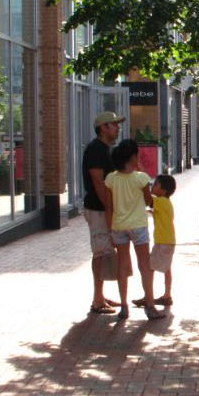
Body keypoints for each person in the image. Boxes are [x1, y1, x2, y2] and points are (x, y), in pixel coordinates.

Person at [105, 139, 162, 321]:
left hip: (118, 226)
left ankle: (124, 306)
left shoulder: (111, 179)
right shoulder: (141, 178)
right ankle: (150, 305)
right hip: (138, 225)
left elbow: (109, 206)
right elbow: (148, 201)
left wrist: (110, 229)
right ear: (132, 157)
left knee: (123, 264)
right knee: (144, 265)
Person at [83, 112, 123, 314]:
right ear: (103, 127)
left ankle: (101, 294)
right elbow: (99, 183)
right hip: (98, 209)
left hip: (105, 209)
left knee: (106, 250)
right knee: (100, 252)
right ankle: (97, 299)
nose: (118, 128)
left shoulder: (106, 149)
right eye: (114, 125)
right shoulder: (95, 150)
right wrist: (109, 209)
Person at [133, 173, 176, 310]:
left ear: (163, 190)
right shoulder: (166, 203)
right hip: (168, 240)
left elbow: (147, 198)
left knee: (149, 267)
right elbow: (156, 212)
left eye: (155, 184)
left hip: (162, 241)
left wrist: (139, 184)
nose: (152, 186)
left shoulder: (160, 201)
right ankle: (167, 295)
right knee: (166, 268)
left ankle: (148, 296)